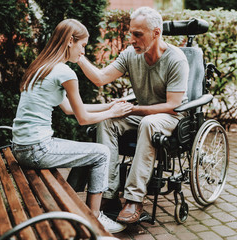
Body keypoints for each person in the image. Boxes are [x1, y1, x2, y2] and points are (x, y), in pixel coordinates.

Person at [11, 19, 133, 233]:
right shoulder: (66, 73)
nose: (83, 52)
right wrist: (112, 113)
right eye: (83, 45)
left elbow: (68, 108)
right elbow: (82, 118)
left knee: (86, 151)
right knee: (102, 152)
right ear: (70, 41)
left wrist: (108, 105)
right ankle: (95, 220)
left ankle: (72, 206)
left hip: (21, 147)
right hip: (37, 149)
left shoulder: (42, 67)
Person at [77, 7, 189, 224]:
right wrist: (78, 57)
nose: (132, 39)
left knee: (148, 122)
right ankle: (108, 194)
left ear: (156, 33)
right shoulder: (131, 54)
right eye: (131, 33)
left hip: (171, 117)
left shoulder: (176, 59)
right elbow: (100, 78)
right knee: (107, 119)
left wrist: (133, 109)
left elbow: (173, 105)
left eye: (138, 34)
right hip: (144, 114)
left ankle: (134, 199)